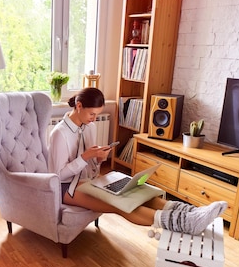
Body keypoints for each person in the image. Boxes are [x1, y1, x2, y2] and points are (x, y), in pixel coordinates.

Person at [48, 87, 227, 235]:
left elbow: (91, 168)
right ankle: (184, 224)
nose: (94, 119)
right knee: (121, 204)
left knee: (139, 192)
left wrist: (99, 159)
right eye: (92, 114)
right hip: (65, 187)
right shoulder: (59, 133)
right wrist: (85, 157)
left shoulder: (90, 127)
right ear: (78, 106)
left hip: (88, 181)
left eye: (97, 115)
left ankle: (191, 212)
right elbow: (57, 175)